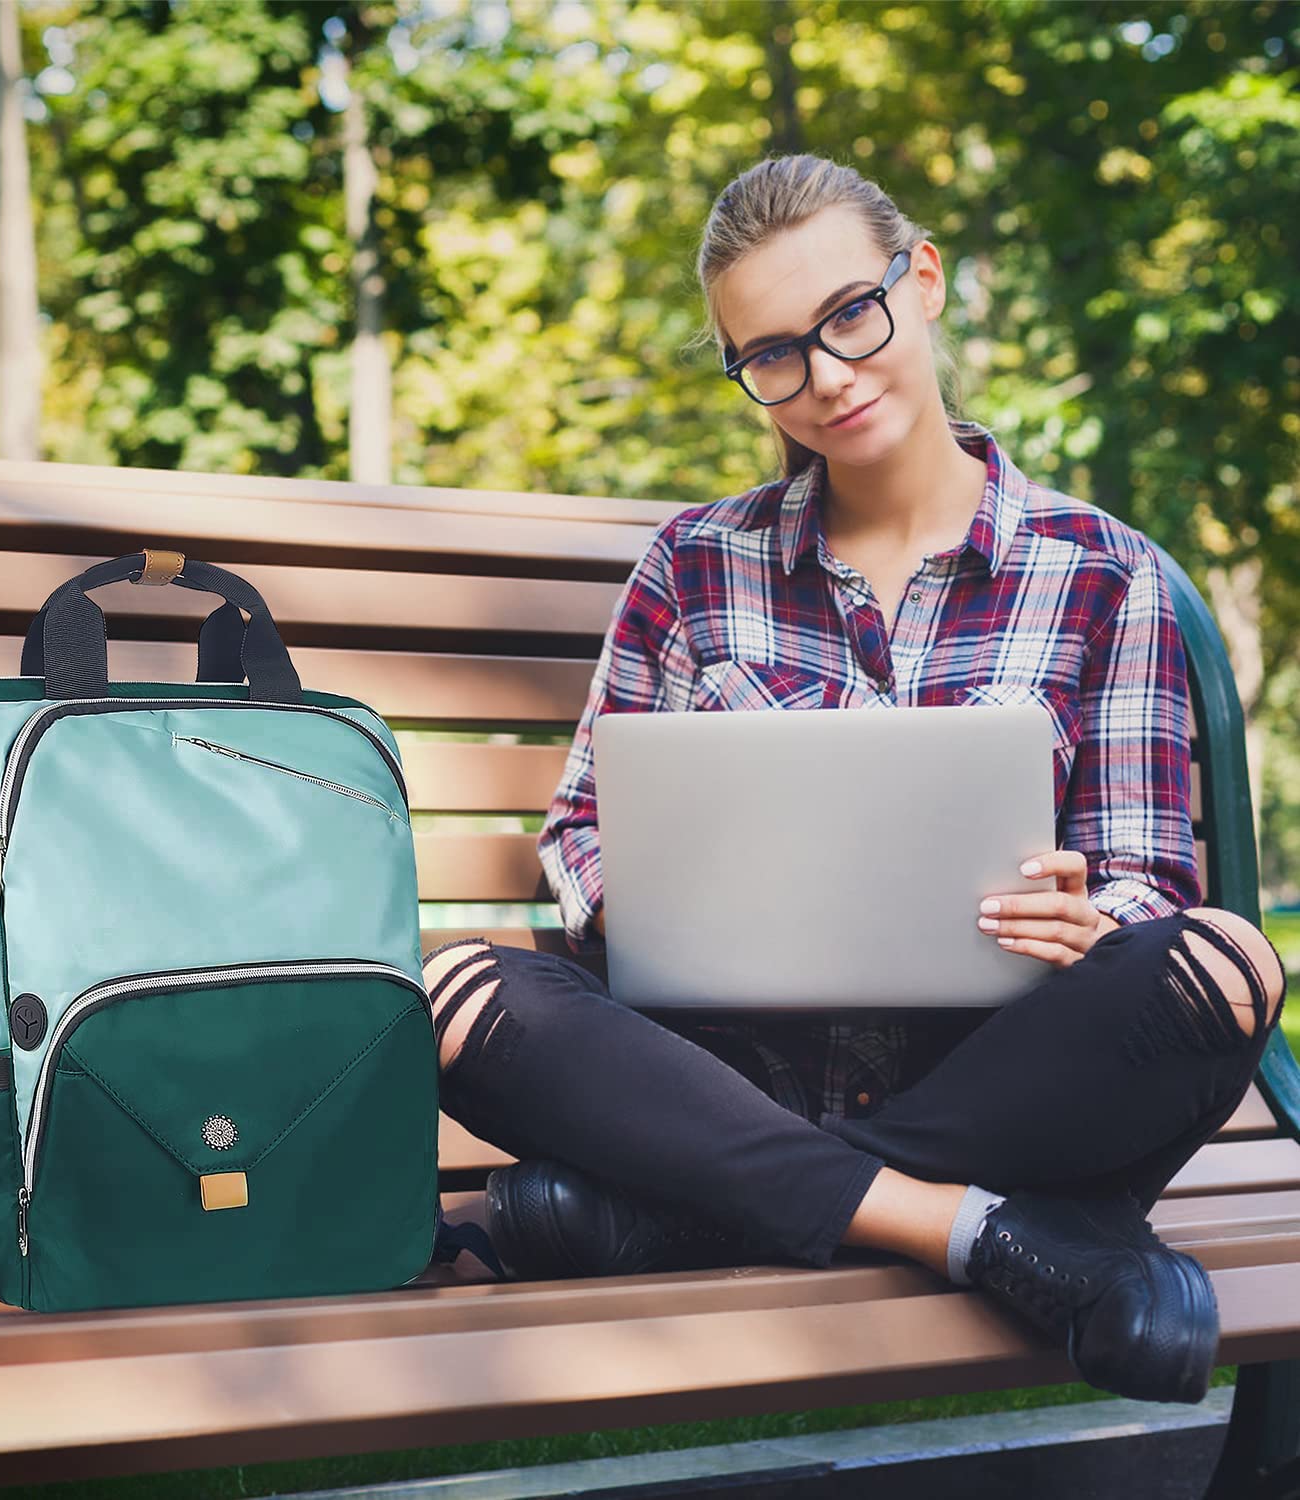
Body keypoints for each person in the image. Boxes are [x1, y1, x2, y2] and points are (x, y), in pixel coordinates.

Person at [421, 153, 1287, 1405]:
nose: (825, 377)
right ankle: (980, 1232)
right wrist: (660, 904)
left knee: (1226, 965)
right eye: (772, 354)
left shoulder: (1107, 572)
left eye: (847, 316)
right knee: (463, 989)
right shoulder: (693, 565)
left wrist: (1095, 917)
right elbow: (580, 836)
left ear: (921, 280)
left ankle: (693, 1212)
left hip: (1006, 1083)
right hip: (727, 1071)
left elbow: (1151, 878)